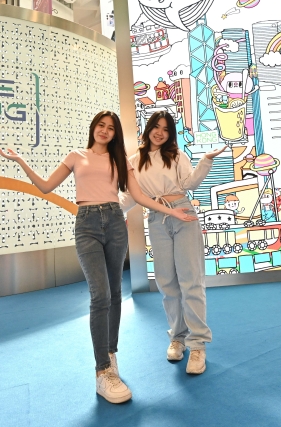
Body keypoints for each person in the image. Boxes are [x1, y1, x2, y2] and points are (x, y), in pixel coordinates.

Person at [0, 110, 195, 404]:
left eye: (111, 128)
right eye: (101, 125)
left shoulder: (120, 160)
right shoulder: (76, 156)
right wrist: (20, 161)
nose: (105, 131)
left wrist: (171, 211)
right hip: (87, 224)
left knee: (114, 294)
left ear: (115, 134)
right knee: (100, 295)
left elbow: (139, 196)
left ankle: (111, 357)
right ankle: (102, 371)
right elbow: (46, 186)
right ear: (93, 128)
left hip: (115, 222)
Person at [122, 111, 226, 375]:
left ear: (170, 134)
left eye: (166, 129)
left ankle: (198, 344)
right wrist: (104, 207)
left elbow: (190, 183)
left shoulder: (177, 155)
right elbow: (131, 197)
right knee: (167, 283)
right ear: (148, 129)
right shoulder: (133, 162)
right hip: (157, 218)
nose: (160, 133)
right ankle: (177, 337)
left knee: (191, 280)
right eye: (156, 127)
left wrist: (206, 160)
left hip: (183, 213)